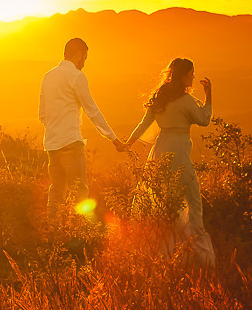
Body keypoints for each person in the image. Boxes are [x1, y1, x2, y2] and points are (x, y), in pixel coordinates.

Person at [124, 58, 215, 268]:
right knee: (192, 202)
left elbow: (143, 124)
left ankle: (163, 254)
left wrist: (128, 143)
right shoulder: (186, 100)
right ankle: (202, 259)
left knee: (162, 204)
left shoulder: (160, 98)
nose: (193, 77)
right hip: (178, 153)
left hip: (159, 152)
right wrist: (209, 94)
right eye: (191, 73)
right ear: (183, 76)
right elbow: (204, 119)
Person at [39, 38, 125, 223]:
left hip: (52, 145)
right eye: (84, 58)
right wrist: (113, 138)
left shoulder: (48, 76)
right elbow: (92, 110)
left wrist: (55, 131)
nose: (84, 63)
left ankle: (53, 232)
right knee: (80, 192)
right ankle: (83, 233)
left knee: (56, 191)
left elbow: (42, 114)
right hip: (71, 142)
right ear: (78, 55)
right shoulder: (77, 77)